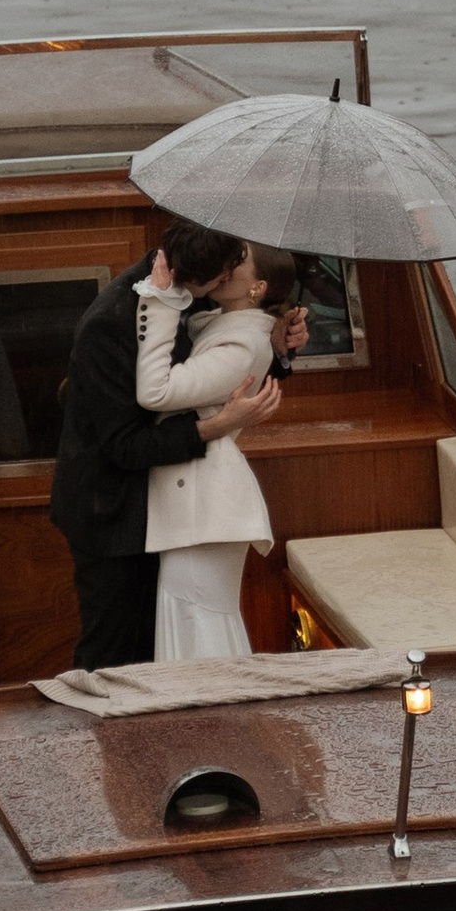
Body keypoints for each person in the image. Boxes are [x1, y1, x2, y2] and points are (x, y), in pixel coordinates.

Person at [48, 225, 281, 668]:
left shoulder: (189, 288)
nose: (225, 287)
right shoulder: (109, 326)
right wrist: (215, 428)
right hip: (112, 512)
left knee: (159, 650)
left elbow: (215, 367)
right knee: (113, 657)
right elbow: (125, 446)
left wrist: (280, 346)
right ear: (198, 278)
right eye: (221, 280)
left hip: (161, 507)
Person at [132, 242, 299, 660]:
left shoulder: (243, 344)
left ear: (258, 286)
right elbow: (199, 327)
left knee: (198, 624)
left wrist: (161, 299)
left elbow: (157, 391)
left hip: (205, 505)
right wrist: (285, 336)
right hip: (194, 503)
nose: (226, 266)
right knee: (191, 621)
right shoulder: (226, 325)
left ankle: (218, 721)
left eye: (239, 262)